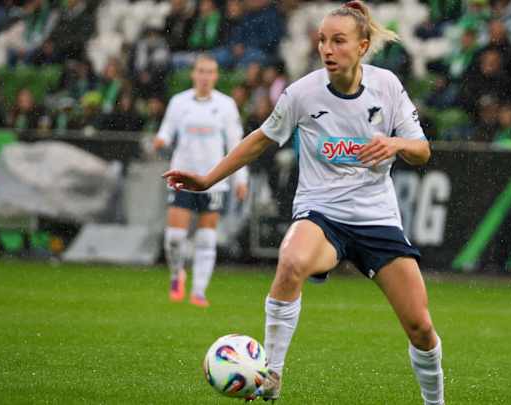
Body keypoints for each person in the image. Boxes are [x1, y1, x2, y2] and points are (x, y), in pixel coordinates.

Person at [162, 2, 444, 403]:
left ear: (363, 46)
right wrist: (208, 179)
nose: (327, 49)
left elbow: (422, 151)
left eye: (338, 41)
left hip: (376, 218)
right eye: (322, 40)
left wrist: (396, 143)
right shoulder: (302, 93)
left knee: (420, 327)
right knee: (291, 261)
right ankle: (272, 378)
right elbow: (260, 140)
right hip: (321, 213)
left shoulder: (387, 86)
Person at [154, 54, 248, 307]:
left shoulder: (226, 105)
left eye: (210, 72)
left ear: (216, 76)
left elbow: (236, 144)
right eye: (201, 71)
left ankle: (199, 291)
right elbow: (166, 130)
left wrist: (241, 179)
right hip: (182, 177)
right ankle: (177, 274)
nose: (205, 76)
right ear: (193, 74)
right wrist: (161, 140)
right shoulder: (179, 102)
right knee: (175, 237)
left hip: (213, 180)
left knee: (206, 239)